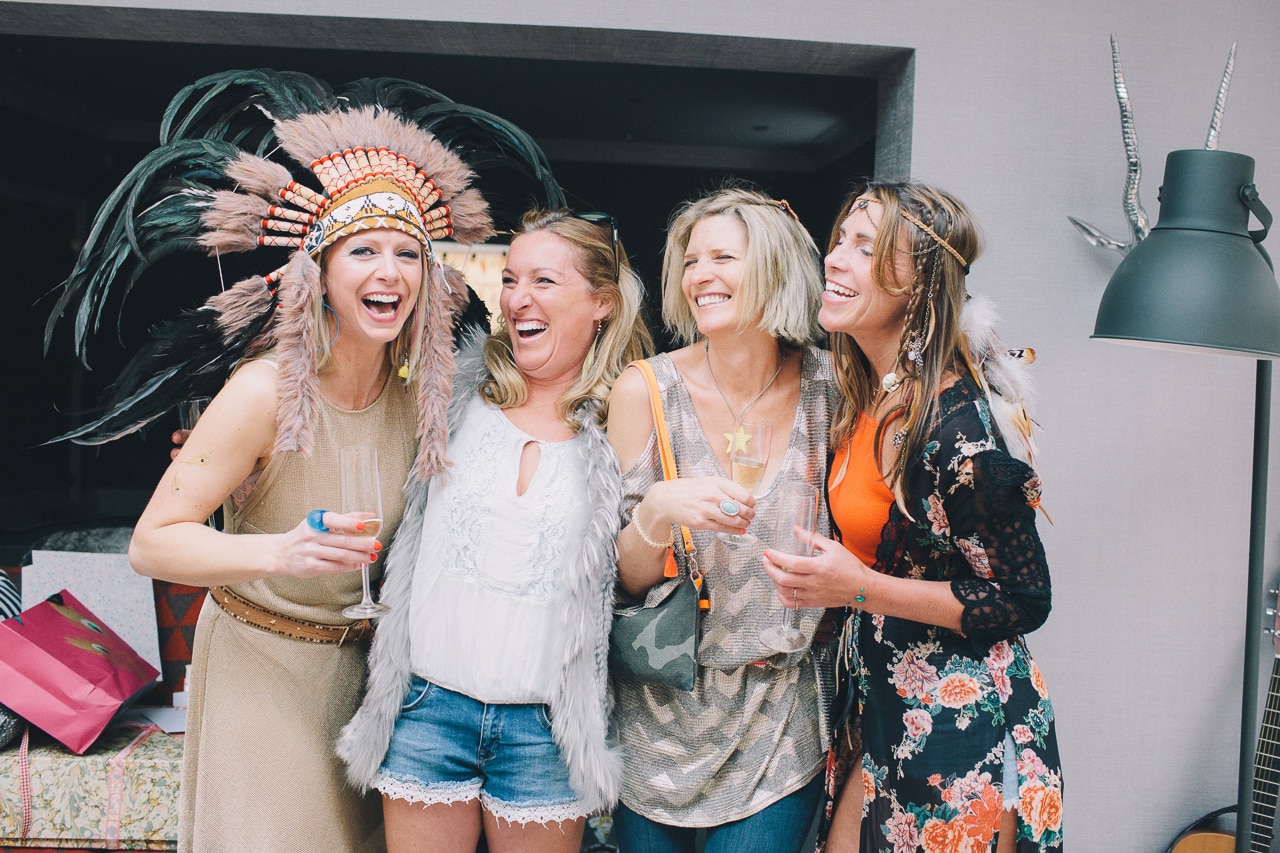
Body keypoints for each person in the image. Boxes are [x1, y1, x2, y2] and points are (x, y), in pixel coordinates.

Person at [43, 70, 561, 852]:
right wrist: (280, 550)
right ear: (318, 271)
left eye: (408, 253)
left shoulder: (425, 397)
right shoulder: (264, 391)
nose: (389, 271)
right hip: (264, 664)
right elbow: (153, 542)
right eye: (364, 251)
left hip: (372, 684)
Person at [337, 209, 653, 853]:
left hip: (547, 730)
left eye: (544, 281)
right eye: (510, 280)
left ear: (602, 302)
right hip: (427, 708)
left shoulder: (625, 418)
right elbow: (350, 411)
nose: (518, 299)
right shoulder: (452, 388)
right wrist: (253, 464)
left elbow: (635, 572)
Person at [761, 181, 1063, 851]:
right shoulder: (864, 395)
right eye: (840, 239)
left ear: (920, 285)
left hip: (964, 728)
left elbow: (1023, 597)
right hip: (883, 710)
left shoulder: (958, 431)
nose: (835, 258)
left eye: (864, 248)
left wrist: (858, 589)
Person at [605, 186, 836, 852]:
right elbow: (623, 580)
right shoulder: (645, 389)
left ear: (774, 267)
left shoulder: (833, 387)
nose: (700, 275)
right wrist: (655, 512)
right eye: (691, 261)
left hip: (780, 718)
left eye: (723, 258)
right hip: (657, 717)